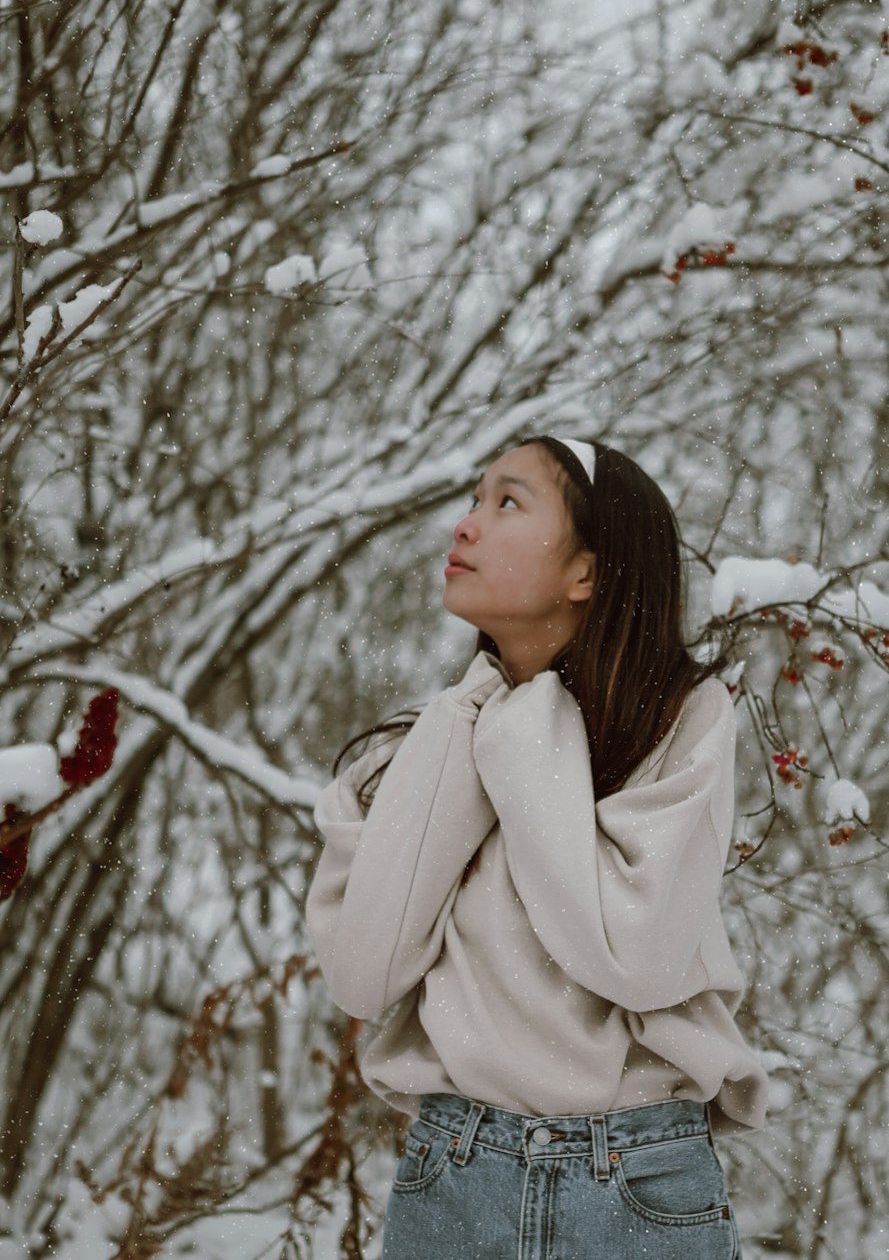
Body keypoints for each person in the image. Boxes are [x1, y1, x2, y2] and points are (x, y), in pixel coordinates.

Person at [306, 435, 768, 1259]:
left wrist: (524, 730)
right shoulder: (411, 754)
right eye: (474, 499)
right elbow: (360, 970)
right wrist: (466, 718)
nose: (466, 526)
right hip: (454, 1174)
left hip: (637, 1182)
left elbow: (634, 953)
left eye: (507, 502)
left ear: (585, 571)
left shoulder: (683, 723)